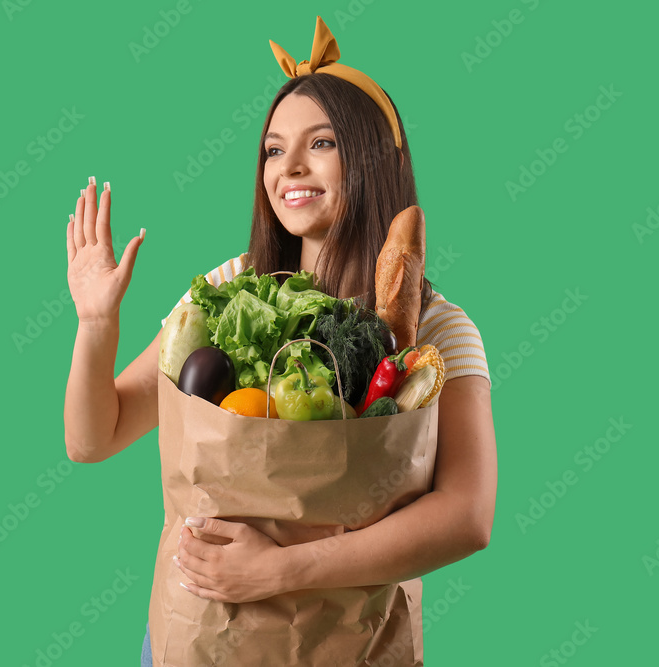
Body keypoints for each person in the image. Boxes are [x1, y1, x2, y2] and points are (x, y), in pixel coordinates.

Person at [63, 16, 497, 666]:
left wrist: (279, 569)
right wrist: (96, 325)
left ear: (375, 158)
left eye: (320, 143)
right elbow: (94, 437)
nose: (288, 166)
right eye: (272, 149)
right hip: (196, 636)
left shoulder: (436, 330)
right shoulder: (231, 291)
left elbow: (467, 515)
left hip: (345, 645)